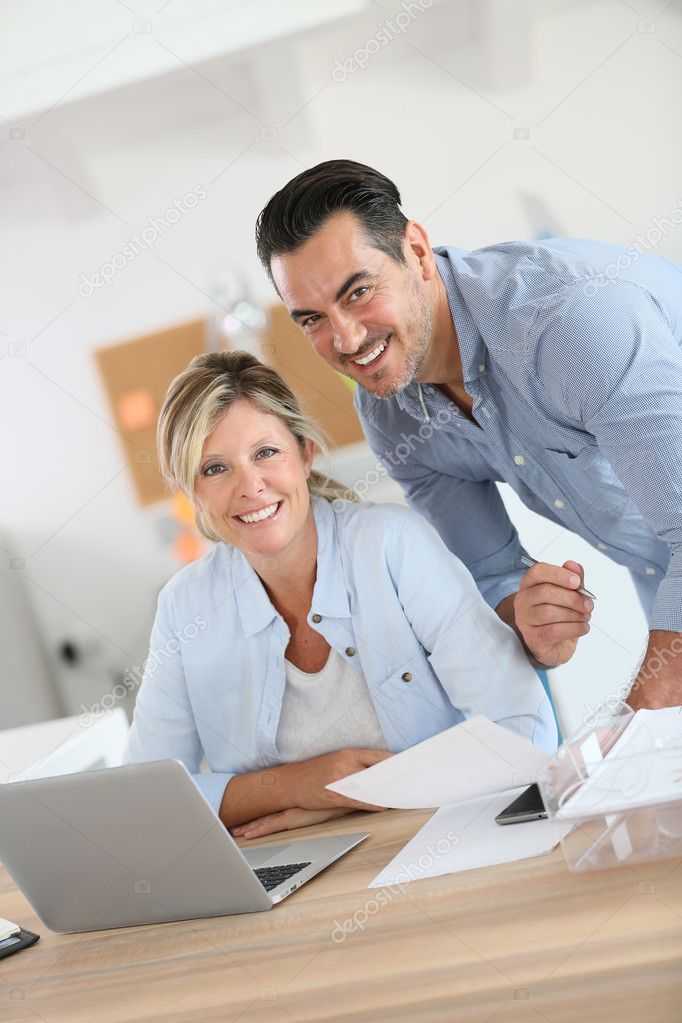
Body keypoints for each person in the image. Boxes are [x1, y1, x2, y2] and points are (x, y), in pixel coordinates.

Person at [255, 159, 682, 711]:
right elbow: (492, 574)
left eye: (358, 292)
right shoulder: (393, 417)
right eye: (312, 318)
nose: (347, 338)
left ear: (416, 250)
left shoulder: (569, 325)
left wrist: (634, 728)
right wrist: (530, 625)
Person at [123, 351, 556, 839]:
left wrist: (361, 797)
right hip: (290, 874)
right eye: (215, 469)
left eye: (265, 453)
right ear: (192, 492)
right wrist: (297, 787)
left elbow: (519, 728)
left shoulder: (392, 545)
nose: (251, 487)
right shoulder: (186, 605)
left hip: (440, 841)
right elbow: (148, 799)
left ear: (305, 453)